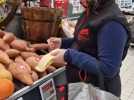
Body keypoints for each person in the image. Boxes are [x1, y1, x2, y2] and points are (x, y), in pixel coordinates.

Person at [47, 0, 131, 97]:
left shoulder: (112, 24)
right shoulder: (91, 11)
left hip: (101, 91)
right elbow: (83, 41)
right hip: (82, 86)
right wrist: (63, 43)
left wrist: (68, 55)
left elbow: (108, 68)